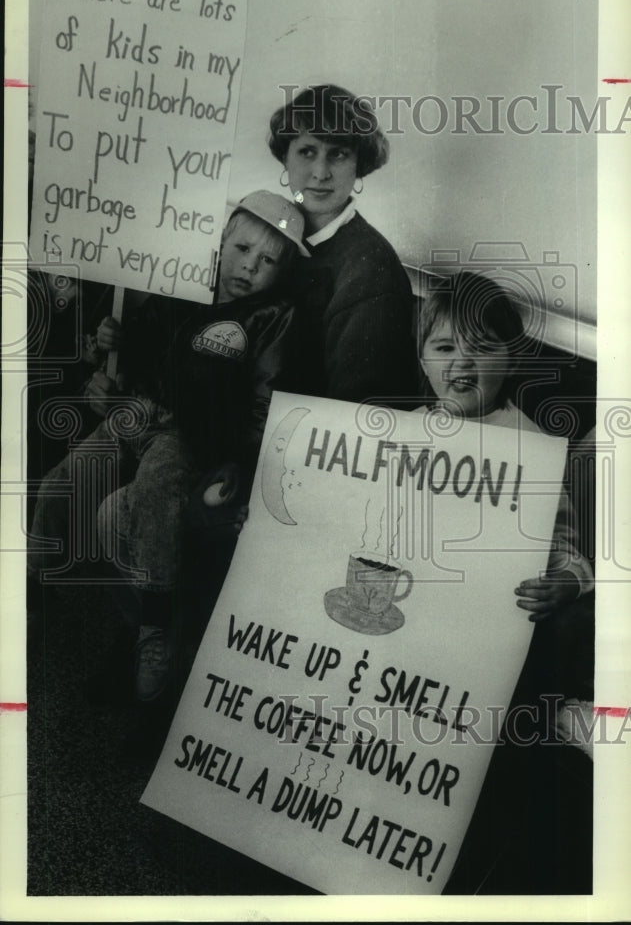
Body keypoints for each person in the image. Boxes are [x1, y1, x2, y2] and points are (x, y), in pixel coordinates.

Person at [28, 191, 307, 702]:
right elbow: (139, 341)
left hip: (187, 433)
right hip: (135, 408)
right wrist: (107, 343)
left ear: (283, 269)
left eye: (268, 260)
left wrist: (233, 461)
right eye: (243, 249)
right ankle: (30, 585)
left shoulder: (271, 316)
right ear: (221, 242)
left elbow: (263, 408)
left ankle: (153, 631)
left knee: (152, 504)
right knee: (61, 485)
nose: (249, 267)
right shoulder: (184, 281)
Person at [417, 269, 594, 616]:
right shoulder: (402, 432)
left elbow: (560, 541)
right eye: (444, 346)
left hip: (482, 614)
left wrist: (570, 580)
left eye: (481, 347)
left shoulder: (531, 449)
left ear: (512, 361)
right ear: (424, 362)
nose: (461, 360)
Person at [268, 84, 418, 406]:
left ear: (359, 164)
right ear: (286, 157)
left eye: (338, 153)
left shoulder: (369, 269)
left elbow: (355, 411)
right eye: (307, 151)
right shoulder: (271, 230)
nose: (320, 173)